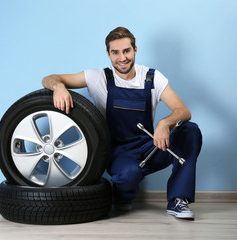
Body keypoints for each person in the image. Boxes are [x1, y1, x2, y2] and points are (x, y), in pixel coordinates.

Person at [42, 27, 202, 220]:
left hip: (150, 146)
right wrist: (58, 86)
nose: (122, 58)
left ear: (135, 50)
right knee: (128, 176)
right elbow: (50, 78)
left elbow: (183, 111)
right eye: (115, 52)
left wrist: (165, 123)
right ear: (108, 54)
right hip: (118, 152)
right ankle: (122, 195)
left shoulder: (152, 77)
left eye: (126, 51)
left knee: (190, 131)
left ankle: (177, 200)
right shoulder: (98, 77)